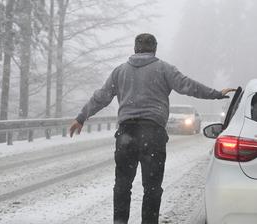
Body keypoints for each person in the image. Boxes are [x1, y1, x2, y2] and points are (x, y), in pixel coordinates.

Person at [69, 33, 235, 224]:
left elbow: (101, 97)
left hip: (126, 134)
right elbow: (188, 86)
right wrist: (216, 94)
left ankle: (119, 222)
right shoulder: (164, 69)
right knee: (152, 188)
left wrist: (81, 118)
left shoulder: (120, 71)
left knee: (122, 185)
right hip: (153, 133)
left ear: (135, 48)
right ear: (154, 49)